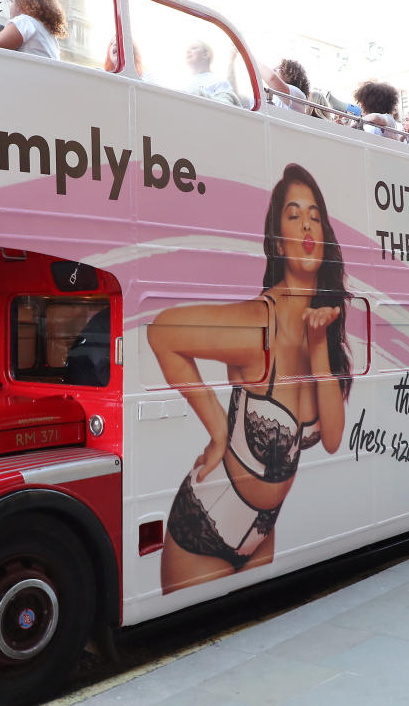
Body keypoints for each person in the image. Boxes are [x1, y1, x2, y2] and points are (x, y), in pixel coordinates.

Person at [149, 163, 351, 594]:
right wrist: (219, 430)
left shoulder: (323, 324)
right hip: (205, 524)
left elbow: (332, 437)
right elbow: (163, 333)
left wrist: (318, 347)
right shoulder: (259, 322)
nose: (307, 225)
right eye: (294, 216)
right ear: (278, 241)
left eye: (315, 215)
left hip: (262, 533)